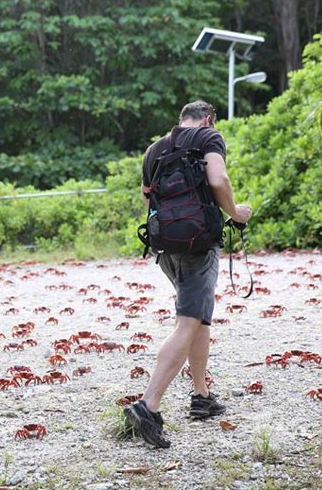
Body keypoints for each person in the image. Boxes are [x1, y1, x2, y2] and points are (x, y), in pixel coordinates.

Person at [124, 100, 252, 449]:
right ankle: (147, 405)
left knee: (198, 318)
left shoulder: (155, 149)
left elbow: (147, 197)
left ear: (180, 119)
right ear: (208, 119)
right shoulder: (209, 137)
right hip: (199, 244)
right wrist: (236, 212)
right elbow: (218, 177)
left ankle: (201, 396)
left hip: (166, 246)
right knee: (188, 320)